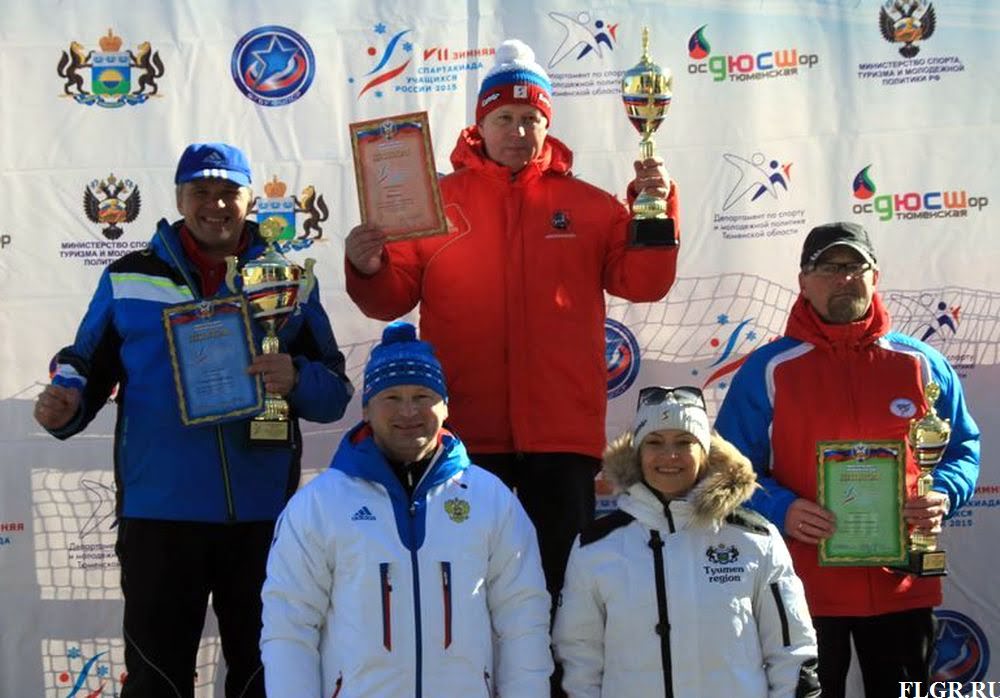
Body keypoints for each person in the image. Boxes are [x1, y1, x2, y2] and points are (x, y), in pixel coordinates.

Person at [344, 38, 681, 604]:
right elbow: (388, 299)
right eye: (504, 118)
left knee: (563, 593)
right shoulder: (434, 201)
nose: (519, 131)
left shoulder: (591, 205)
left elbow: (644, 284)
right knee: (467, 589)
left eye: (531, 118)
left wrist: (657, 209)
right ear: (481, 123)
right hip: (462, 435)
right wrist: (367, 266)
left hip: (561, 434)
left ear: (547, 124)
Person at [33, 142, 354, 698]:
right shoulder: (128, 277)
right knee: (157, 681)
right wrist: (67, 404)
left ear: (250, 200)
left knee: (265, 678)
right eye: (201, 191)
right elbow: (85, 364)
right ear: (180, 198)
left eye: (229, 192)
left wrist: (297, 378)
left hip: (262, 518)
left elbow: (334, 393)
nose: (216, 204)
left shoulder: (288, 278)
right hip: (160, 514)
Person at [715, 222, 980, 697]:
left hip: (902, 585)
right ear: (803, 281)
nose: (844, 278)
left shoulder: (921, 364)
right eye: (829, 267)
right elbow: (727, 468)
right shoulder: (768, 369)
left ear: (875, 276)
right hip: (800, 586)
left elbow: (962, 448)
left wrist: (942, 492)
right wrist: (781, 509)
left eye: (856, 265)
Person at [260, 321, 552, 697]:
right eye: (392, 397)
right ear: (366, 409)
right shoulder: (319, 505)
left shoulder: (491, 500)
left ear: (445, 406)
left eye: (422, 395)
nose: (409, 411)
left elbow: (523, 621)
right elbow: (289, 628)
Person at [553, 385, 820, 697]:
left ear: (705, 452)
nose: (670, 455)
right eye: (654, 442)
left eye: (684, 442)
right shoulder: (596, 547)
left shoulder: (756, 540)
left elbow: (792, 654)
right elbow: (578, 661)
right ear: (637, 453)